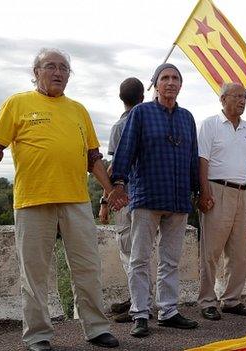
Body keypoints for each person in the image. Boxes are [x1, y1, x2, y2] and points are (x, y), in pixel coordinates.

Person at [0, 48, 124, 351]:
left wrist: (108, 189)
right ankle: (38, 335)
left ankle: (95, 328)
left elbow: (93, 158)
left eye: (64, 68)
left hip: (76, 200)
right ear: (35, 71)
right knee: (35, 273)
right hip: (32, 201)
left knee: (88, 267)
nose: (59, 72)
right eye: (50, 66)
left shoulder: (79, 110)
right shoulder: (17, 103)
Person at [111, 63, 199, 337]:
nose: (170, 83)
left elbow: (193, 157)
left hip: (177, 197)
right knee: (139, 258)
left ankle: (169, 311)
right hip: (147, 195)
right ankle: (140, 314)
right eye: (165, 78)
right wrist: (119, 183)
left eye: (175, 78)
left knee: (170, 260)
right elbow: (125, 151)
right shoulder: (141, 113)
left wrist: (198, 189)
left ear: (180, 86)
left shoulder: (187, 118)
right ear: (155, 85)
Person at [197, 82, 246, 321]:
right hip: (217, 190)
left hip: (243, 194)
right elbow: (201, 161)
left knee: (239, 253)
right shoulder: (210, 125)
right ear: (223, 99)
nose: (242, 101)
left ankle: (232, 300)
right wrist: (204, 193)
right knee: (211, 251)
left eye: (244, 97)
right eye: (237, 96)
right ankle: (207, 300)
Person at [98, 77, 145, 323]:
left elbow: (116, 167)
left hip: (126, 196)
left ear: (120, 97)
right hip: (147, 195)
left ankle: (140, 302)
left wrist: (105, 201)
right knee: (141, 251)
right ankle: (136, 298)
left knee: (129, 251)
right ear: (143, 97)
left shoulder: (120, 126)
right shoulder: (150, 119)